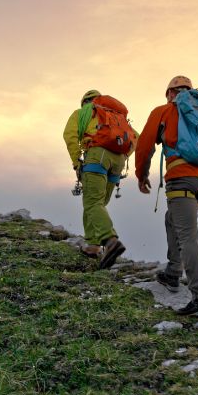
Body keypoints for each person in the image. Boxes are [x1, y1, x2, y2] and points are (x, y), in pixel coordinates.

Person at [135, 76, 198, 317]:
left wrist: (141, 174)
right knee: (172, 220)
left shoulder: (164, 111)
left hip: (181, 177)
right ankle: (173, 273)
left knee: (188, 236)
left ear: (170, 93)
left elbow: (145, 145)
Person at [62, 89, 130, 269]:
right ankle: (92, 246)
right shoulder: (116, 116)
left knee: (92, 202)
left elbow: (69, 135)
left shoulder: (82, 113)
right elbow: (134, 137)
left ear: (84, 102)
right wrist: (121, 155)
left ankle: (110, 241)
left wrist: (77, 162)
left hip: (97, 154)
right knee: (97, 202)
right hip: (118, 160)